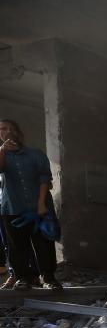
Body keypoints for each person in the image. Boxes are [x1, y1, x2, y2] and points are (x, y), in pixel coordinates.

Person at [0, 119, 60, 291]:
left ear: (19, 133)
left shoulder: (35, 154)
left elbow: (44, 179)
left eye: (12, 128)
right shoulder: (2, 154)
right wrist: (2, 150)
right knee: (17, 246)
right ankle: (24, 278)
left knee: (44, 243)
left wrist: (41, 204)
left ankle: (48, 278)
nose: (8, 131)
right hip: (12, 207)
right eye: (3, 129)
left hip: (39, 207)